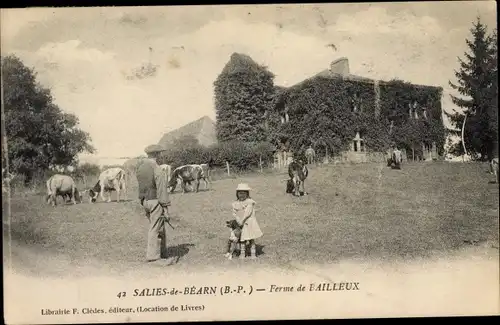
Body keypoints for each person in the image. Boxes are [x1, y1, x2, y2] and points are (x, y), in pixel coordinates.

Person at [136, 144, 171, 262]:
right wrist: (165, 208)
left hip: (145, 201)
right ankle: (153, 256)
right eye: (160, 153)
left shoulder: (140, 168)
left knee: (159, 226)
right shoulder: (157, 169)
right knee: (155, 228)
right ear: (157, 154)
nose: (161, 156)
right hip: (155, 200)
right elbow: (162, 189)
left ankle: (163, 253)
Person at [232, 183, 263, 259]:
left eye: (243, 193)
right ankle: (242, 253)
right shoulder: (236, 203)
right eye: (240, 193)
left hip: (249, 222)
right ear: (237, 194)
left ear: (247, 194)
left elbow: (247, 213)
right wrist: (237, 219)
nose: (241, 195)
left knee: (251, 238)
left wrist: (242, 221)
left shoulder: (249, 202)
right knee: (242, 239)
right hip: (240, 222)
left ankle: (253, 253)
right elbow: (234, 213)